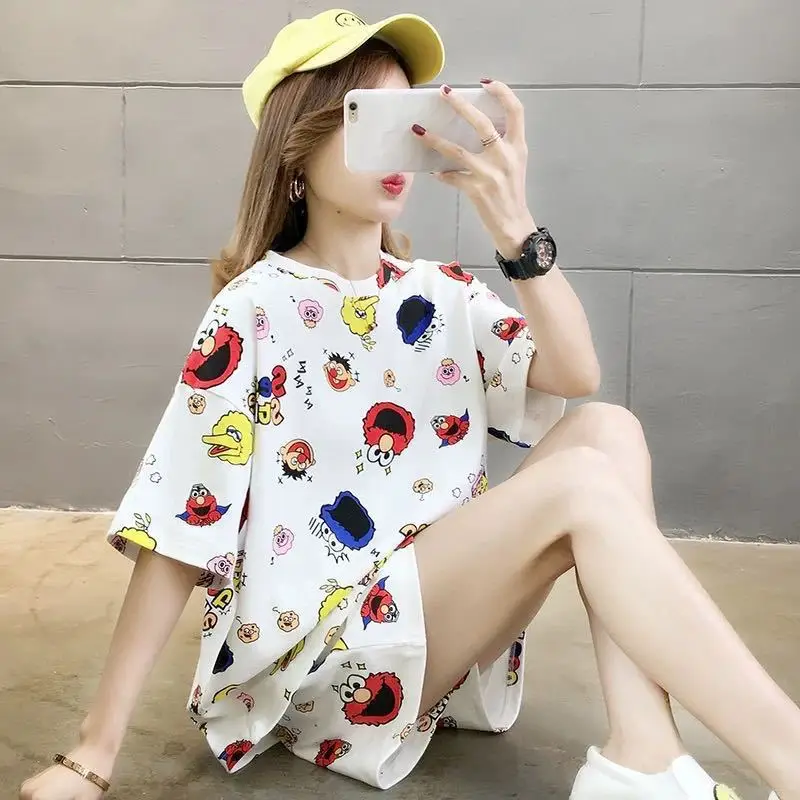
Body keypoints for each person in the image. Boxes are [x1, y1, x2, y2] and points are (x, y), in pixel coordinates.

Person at [19, 9, 797, 800]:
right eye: (368, 118)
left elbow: (575, 373)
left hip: (436, 629)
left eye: (409, 117)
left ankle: (643, 751)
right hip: (328, 664)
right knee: (582, 485)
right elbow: (181, 526)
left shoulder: (440, 294)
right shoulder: (252, 310)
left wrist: (514, 227)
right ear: (296, 147)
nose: (398, 147)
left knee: (609, 432)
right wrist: (93, 754)